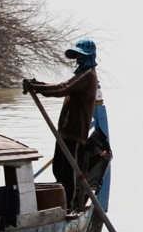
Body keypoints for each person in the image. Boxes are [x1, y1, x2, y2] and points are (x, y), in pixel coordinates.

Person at [23, 38, 99, 211]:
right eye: (77, 56)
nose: (78, 59)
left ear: (90, 57)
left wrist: (37, 87)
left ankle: (71, 206)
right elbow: (63, 87)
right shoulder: (81, 74)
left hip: (75, 132)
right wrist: (38, 85)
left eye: (81, 56)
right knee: (59, 169)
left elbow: (62, 88)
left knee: (69, 173)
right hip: (65, 132)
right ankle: (63, 205)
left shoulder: (87, 75)